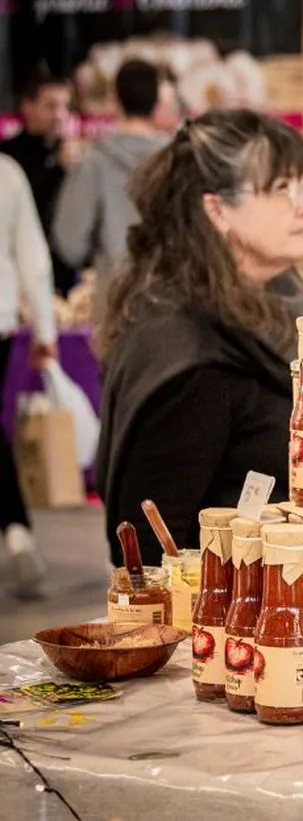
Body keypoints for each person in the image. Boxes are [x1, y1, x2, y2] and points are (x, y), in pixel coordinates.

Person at [95, 110, 303, 564]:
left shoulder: (269, 307)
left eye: (301, 185)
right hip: (219, 623)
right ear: (216, 209)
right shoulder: (189, 356)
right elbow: (149, 555)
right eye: (279, 190)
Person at [52, 60, 173, 322]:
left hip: (116, 308)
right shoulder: (180, 161)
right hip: (178, 305)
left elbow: (69, 243)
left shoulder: (94, 162)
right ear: (157, 101)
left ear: (115, 99)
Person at [0, 153, 58, 598]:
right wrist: (44, 327)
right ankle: (16, 527)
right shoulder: (8, 171)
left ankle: (16, 526)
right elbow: (31, 255)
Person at [0, 70, 78, 294]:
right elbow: (25, 207)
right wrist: (58, 170)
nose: (59, 115)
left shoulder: (72, 154)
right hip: (18, 277)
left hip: (65, 277)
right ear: (27, 106)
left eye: (65, 107)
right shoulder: (7, 157)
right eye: (51, 106)